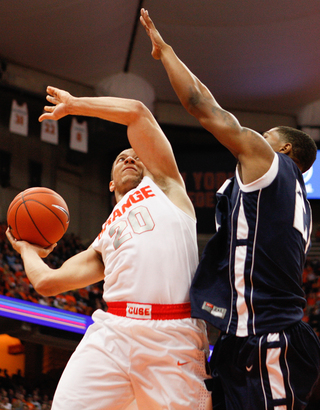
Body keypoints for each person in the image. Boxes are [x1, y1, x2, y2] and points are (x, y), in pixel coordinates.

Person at [140, 8, 320, 410]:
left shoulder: (270, 165)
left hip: (271, 335)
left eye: (265, 135)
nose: (254, 139)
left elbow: (204, 107)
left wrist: (166, 52)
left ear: (284, 149)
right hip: (244, 336)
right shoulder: (295, 202)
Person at [6, 86, 211, 410]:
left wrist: (75, 105)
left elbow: (137, 112)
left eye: (136, 156)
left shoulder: (168, 188)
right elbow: (47, 282)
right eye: (120, 158)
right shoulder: (104, 238)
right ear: (111, 182)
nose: (130, 157)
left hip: (171, 335)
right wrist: (27, 250)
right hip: (113, 330)